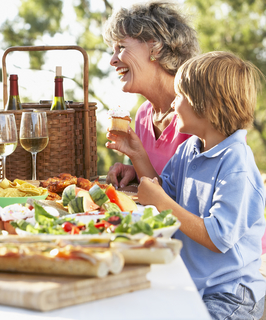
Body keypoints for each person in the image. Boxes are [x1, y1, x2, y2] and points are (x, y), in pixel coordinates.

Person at [106, 51, 266, 319]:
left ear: (206, 105)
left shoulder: (236, 164)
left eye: (179, 97)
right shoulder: (191, 148)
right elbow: (163, 190)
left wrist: (161, 201)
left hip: (230, 292)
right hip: (194, 284)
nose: (173, 105)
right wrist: (137, 154)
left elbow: (218, 237)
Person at [102, 0, 199, 188]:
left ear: (155, 47)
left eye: (121, 47)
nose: (112, 60)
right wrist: (136, 173)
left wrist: (139, 162)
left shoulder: (199, 111)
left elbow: (194, 201)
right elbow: (160, 183)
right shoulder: (144, 114)